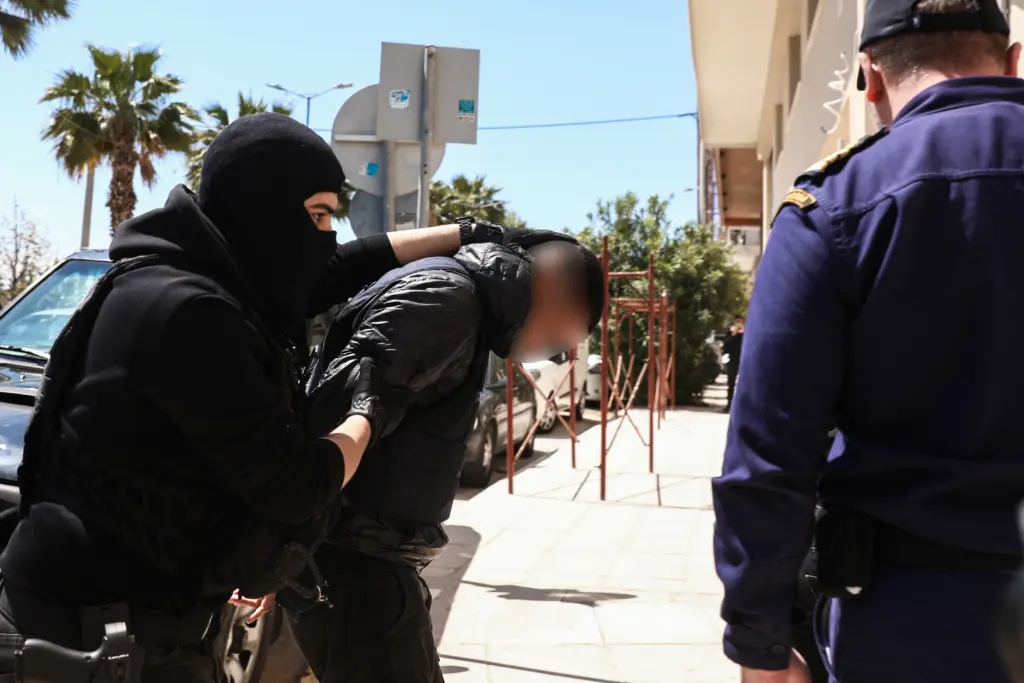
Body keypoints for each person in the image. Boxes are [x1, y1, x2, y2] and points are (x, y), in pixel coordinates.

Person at [0, 113, 521, 683]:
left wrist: (465, 235)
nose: (328, 236)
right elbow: (300, 484)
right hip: (86, 636)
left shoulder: (197, 275)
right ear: (262, 209)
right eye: (318, 215)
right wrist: (369, 408)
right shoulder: (190, 312)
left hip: (128, 620)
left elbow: (338, 268)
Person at [711, 1, 1024, 682]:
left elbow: (768, 453)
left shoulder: (833, 205)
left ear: (870, 77)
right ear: (1012, 61)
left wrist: (760, 644)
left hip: (906, 623)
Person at [264, 228, 604, 683]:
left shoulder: (461, 302)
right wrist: (281, 546)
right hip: (356, 572)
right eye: (558, 336)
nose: (548, 350)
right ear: (544, 286)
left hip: (358, 564)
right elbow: (340, 419)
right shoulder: (447, 300)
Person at [722, 315, 744, 412]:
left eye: (740, 322)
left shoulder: (746, 334)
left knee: (745, 384)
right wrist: (733, 335)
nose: (738, 324)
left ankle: (742, 407)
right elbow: (725, 346)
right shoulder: (730, 334)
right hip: (732, 361)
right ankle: (729, 405)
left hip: (743, 361)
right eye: (737, 322)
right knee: (731, 383)